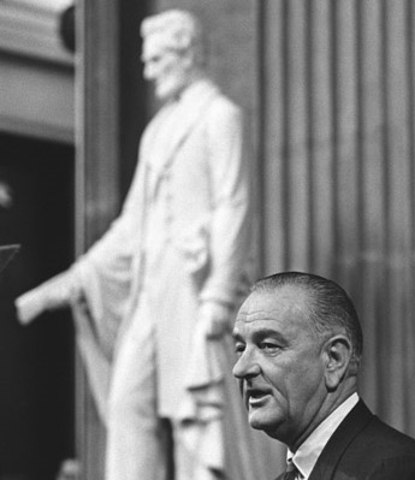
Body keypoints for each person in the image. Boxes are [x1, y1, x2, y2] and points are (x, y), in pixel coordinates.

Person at [15, 9, 253, 480]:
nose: (147, 71)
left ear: (186, 54)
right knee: (126, 401)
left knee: (194, 417)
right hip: (150, 286)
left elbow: (233, 205)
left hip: (191, 287)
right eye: (145, 61)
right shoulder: (158, 129)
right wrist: (71, 281)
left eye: (156, 59)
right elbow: (130, 228)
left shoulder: (220, 116)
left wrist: (219, 296)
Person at [232, 272, 415, 480]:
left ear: (334, 360)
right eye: (240, 348)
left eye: (269, 346)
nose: (240, 369)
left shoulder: (396, 470)